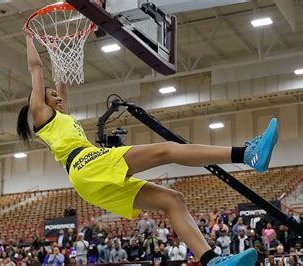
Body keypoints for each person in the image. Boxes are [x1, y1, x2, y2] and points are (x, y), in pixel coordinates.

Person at [18, 21, 279, 266]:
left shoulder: (63, 116)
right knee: (167, 150)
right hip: (86, 164)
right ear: (39, 101)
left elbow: (60, 81)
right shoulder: (42, 116)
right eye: (51, 95)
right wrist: (31, 36)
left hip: (87, 181)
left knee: (172, 200)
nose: (58, 97)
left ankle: (211, 260)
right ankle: (247, 154)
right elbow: (35, 70)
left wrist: (56, 49)